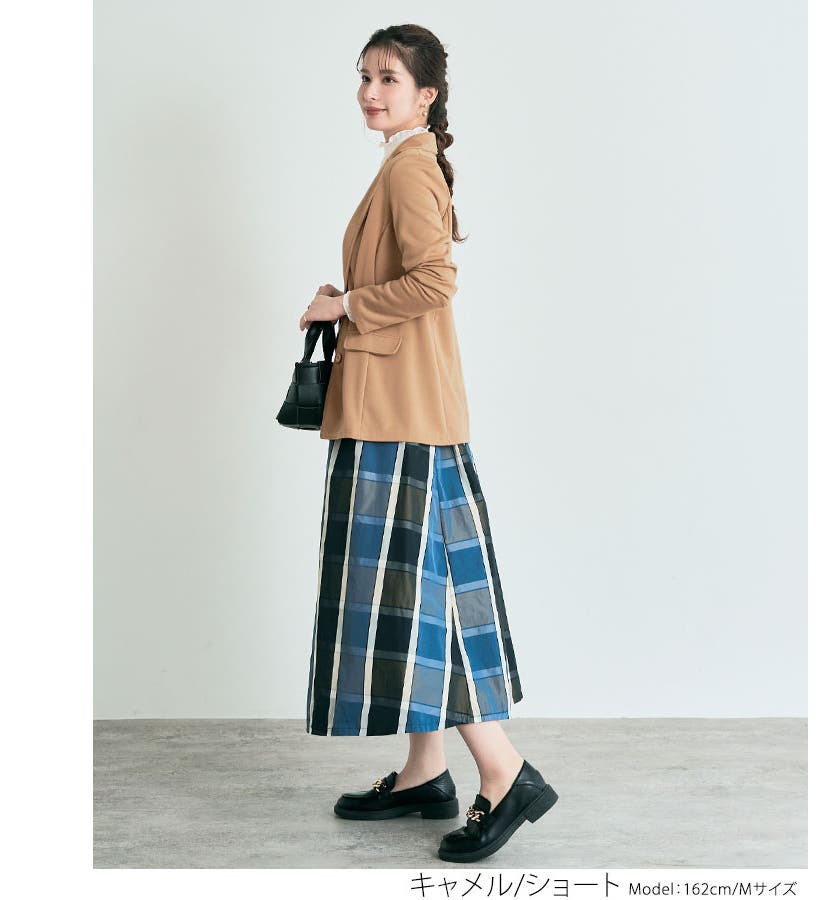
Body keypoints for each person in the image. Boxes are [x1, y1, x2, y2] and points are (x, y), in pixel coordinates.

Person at [298, 24, 557, 864]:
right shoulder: (404, 162)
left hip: (401, 417)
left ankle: (504, 772)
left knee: (428, 598)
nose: (371, 91)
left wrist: (348, 307)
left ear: (426, 94)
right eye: (365, 76)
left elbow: (435, 281)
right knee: (410, 597)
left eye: (389, 79)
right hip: (395, 409)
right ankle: (424, 771)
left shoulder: (410, 168)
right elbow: (409, 277)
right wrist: (351, 293)